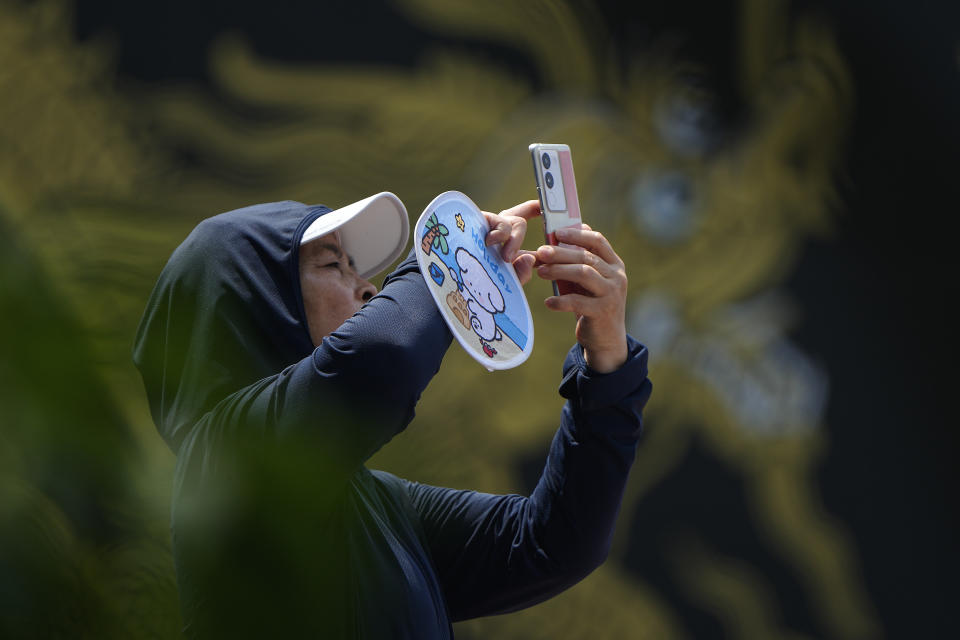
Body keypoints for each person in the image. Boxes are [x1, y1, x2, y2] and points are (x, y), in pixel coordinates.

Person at [132, 194, 651, 638]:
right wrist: (452, 257)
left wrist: (605, 366)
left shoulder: (382, 505)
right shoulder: (221, 465)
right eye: (334, 265)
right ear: (257, 304)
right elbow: (382, 359)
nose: (369, 288)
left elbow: (555, 542)